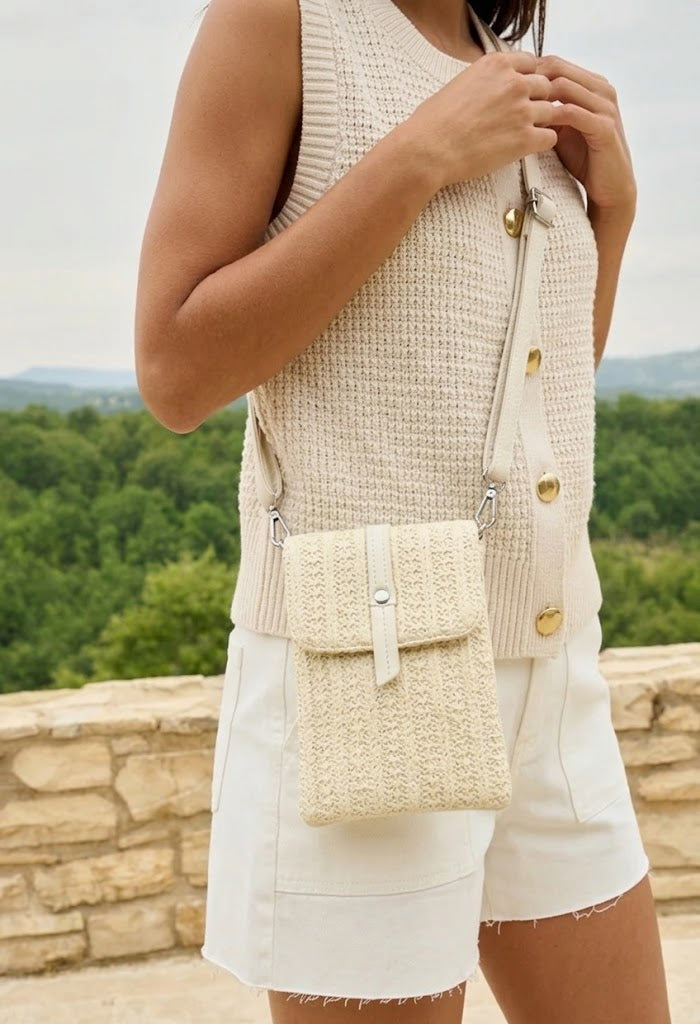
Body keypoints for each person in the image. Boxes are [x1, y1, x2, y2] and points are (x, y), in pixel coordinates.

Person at [134, 0, 672, 1020]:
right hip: (370, 666)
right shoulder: (282, 21)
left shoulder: (507, 66)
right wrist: (418, 156)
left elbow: (533, 408)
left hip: (551, 672)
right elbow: (172, 370)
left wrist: (612, 216)